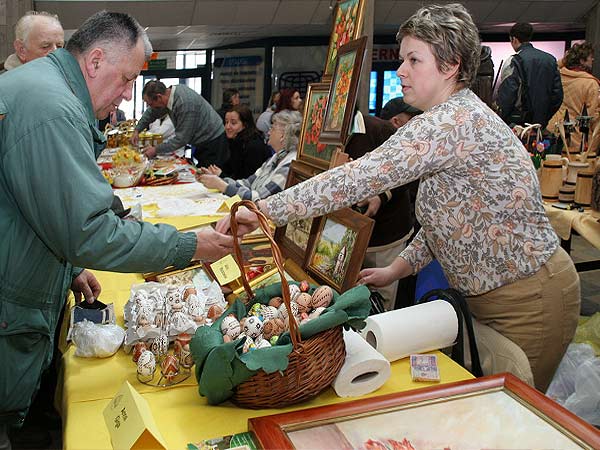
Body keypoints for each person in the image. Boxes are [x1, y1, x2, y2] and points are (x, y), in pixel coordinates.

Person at [219, 3, 580, 392]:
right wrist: (399, 268)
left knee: (518, 415)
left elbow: (357, 178)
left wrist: (265, 210)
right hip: (488, 298)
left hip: (529, 300)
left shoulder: (451, 122)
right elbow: (453, 219)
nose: (400, 71)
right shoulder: (453, 117)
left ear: (451, 65)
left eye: (413, 59)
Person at [0, 10, 234, 441]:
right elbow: (88, 231)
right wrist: (190, 246)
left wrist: (68, 268)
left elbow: (33, 207)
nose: (127, 97)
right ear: (94, 62)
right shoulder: (53, 108)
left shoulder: (45, 91)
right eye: (126, 79)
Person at [345, 111, 416, 310]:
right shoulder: (325, 137)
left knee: (381, 299)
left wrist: (380, 196)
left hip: (384, 234)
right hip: (346, 233)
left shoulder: (378, 129)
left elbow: (407, 172)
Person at [197, 110, 301, 201]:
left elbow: (259, 199)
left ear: (283, 136)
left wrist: (221, 185)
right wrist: (217, 179)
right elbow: (247, 183)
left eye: (272, 129)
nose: (269, 132)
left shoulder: (289, 165)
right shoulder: (275, 157)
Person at [132, 80, 229, 167]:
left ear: (159, 97)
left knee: (209, 177)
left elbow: (181, 139)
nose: (151, 107)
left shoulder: (184, 103)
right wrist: (137, 130)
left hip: (214, 141)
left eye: (151, 104)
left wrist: (155, 150)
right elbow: (151, 113)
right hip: (203, 140)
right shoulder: (169, 96)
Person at [496, 22, 563, 128]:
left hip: (518, 124)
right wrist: (544, 118)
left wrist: (504, 118)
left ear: (514, 39)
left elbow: (508, 95)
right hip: (541, 123)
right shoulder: (550, 59)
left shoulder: (514, 61)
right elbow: (557, 95)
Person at [547, 42, 600, 152]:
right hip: (577, 139)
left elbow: (550, 69)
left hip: (553, 134)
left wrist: (563, 61)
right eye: (590, 57)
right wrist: (592, 150)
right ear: (582, 60)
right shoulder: (591, 84)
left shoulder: (557, 76)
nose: (593, 60)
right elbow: (594, 117)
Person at [199, 105, 271, 180]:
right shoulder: (235, 141)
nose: (227, 126)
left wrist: (220, 175)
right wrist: (212, 173)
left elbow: (247, 180)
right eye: (226, 122)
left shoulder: (254, 146)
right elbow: (229, 168)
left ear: (245, 125)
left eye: (233, 123)